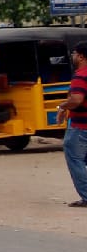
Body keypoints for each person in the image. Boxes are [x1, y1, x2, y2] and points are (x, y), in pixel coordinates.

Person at [56, 41, 87, 208]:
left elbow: (76, 100)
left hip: (81, 127)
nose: (73, 57)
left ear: (81, 56)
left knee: (75, 159)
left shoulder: (81, 75)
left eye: (74, 54)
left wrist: (62, 106)